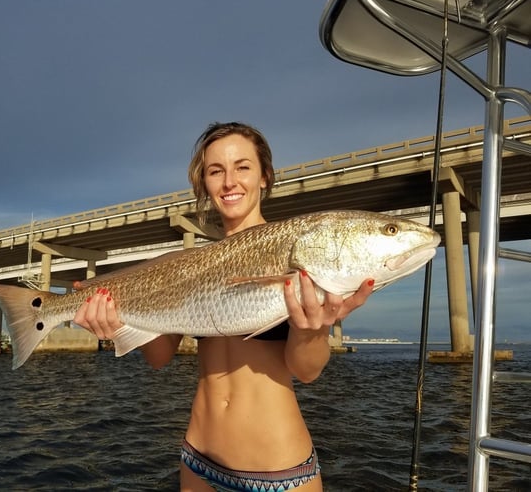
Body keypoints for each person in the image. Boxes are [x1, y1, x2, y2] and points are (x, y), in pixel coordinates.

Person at [73, 122, 374, 491]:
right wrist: (115, 324)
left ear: (265, 176)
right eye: (216, 171)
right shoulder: (184, 267)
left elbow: (306, 371)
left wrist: (313, 330)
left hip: (277, 471)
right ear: (205, 184)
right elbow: (158, 356)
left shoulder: (298, 254)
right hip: (198, 461)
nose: (230, 181)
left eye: (243, 167)